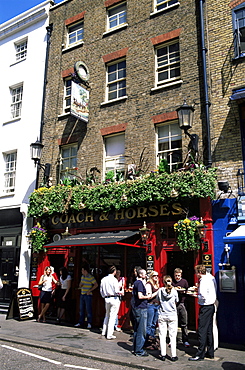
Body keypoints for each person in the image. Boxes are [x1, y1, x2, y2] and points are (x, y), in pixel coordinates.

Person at [189, 265, 217, 361]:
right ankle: (210, 352)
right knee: (209, 330)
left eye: (196, 272)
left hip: (205, 307)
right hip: (211, 306)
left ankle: (200, 354)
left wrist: (195, 295)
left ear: (199, 272)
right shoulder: (211, 278)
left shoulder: (203, 281)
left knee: (202, 330)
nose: (196, 274)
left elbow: (203, 295)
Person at [156, 275, 179, 362]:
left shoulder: (160, 290)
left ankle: (163, 354)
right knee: (173, 336)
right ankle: (173, 355)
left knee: (162, 335)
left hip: (162, 314)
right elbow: (176, 301)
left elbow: (158, 300)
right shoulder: (174, 291)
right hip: (172, 315)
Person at [132, 268, 152, 357]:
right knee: (141, 330)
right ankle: (139, 350)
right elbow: (140, 296)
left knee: (136, 329)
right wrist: (147, 296)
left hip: (136, 308)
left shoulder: (136, 283)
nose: (146, 275)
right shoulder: (139, 283)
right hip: (141, 308)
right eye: (144, 274)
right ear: (140, 275)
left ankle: (135, 348)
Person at [100, 265, 120, 340]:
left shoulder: (103, 279)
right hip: (114, 298)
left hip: (106, 298)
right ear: (114, 272)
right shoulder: (114, 280)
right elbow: (116, 291)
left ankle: (104, 331)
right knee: (113, 317)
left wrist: (104, 296)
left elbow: (101, 290)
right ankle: (109, 334)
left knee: (107, 315)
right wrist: (121, 292)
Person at [74, 264, 98, 329]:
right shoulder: (82, 277)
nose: (81, 271)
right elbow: (80, 285)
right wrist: (80, 285)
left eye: (82, 270)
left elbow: (96, 285)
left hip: (88, 295)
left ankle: (89, 323)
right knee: (81, 309)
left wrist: (90, 290)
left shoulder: (90, 277)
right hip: (82, 294)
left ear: (85, 270)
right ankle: (80, 322)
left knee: (88, 309)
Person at [172, 267, 190, 347]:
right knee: (173, 323)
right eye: (176, 275)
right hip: (174, 304)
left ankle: (185, 340)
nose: (177, 277)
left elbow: (188, 291)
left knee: (184, 323)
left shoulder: (184, 282)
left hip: (182, 303)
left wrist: (184, 291)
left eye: (178, 275)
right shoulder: (172, 282)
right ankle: (173, 340)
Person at [145, 270, 159, 348]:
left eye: (157, 275)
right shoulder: (148, 285)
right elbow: (149, 296)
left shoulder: (157, 285)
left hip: (157, 305)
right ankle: (147, 340)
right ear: (151, 277)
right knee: (149, 324)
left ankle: (152, 339)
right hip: (150, 305)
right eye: (154, 276)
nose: (156, 277)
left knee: (154, 324)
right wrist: (157, 292)